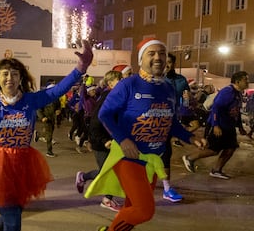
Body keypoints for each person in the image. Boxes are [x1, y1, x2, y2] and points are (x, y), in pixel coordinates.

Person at [0, 40, 93, 231]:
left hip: (24, 164)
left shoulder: (31, 100)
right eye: (5, 74)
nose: (10, 78)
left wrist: (80, 69)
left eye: (15, 74)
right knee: (13, 218)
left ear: (20, 79)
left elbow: (58, 91)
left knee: (15, 208)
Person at [85, 38, 206, 231]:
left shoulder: (168, 88)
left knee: (131, 208)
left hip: (151, 161)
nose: (158, 57)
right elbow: (104, 114)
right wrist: (123, 140)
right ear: (141, 60)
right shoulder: (128, 85)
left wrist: (190, 137)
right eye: (152, 53)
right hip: (128, 157)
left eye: (162, 53)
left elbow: (170, 121)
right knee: (144, 211)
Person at [182, 71, 249, 179]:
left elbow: (236, 111)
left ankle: (216, 170)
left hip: (229, 126)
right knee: (213, 149)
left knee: (230, 148)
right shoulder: (227, 92)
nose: (247, 82)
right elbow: (216, 108)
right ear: (237, 81)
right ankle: (190, 157)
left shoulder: (238, 93)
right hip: (220, 125)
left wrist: (240, 127)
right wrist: (216, 125)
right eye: (245, 79)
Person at [75, 70, 123, 212]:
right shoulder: (108, 97)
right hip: (101, 142)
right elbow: (96, 122)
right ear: (110, 83)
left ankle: (84, 177)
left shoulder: (115, 96)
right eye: (119, 80)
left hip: (110, 141)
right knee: (108, 173)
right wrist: (103, 141)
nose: (123, 82)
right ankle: (106, 199)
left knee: (112, 171)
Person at [160, 52, 190, 202]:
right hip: (149, 122)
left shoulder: (181, 80)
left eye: (169, 62)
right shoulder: (151, 79)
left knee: (166, 153)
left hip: (170, 119)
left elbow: (186, 100)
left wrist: (186, 105)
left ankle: (166, 188)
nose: (167, 65)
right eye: (165, 62)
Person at [35, 81, 61, 157]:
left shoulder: (56, 98)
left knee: (49, 133)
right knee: (49, 135)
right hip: (46, 118)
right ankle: (49, 151)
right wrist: (42, 117)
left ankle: (39, 134)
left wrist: (58, 110)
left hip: (52, 118)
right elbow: (38, 109)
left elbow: (58, 106)